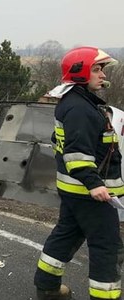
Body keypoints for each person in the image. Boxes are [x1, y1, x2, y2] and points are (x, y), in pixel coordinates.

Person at [34, 46, 124, 300]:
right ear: (80, 72)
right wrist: (95, 185)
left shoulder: (75, 103)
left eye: (102, 69)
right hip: (90, 193)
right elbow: (77, 154)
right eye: (96, 69)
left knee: (65, 235)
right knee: (107, 247)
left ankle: (48, 288)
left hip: (74, 190)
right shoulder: (80, 109)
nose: (102, 74)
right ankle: (105, 296)